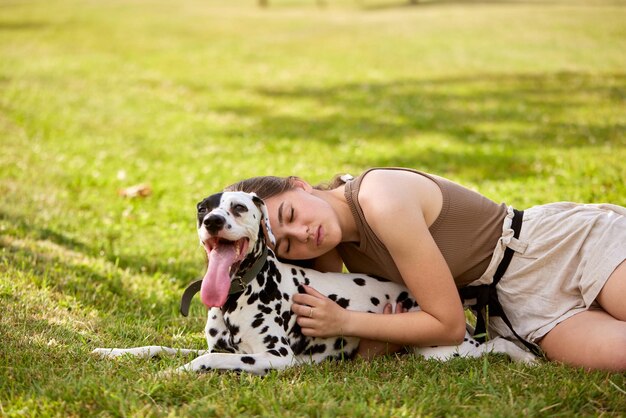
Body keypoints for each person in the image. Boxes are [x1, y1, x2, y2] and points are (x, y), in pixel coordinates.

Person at [225, 168, 626, 371]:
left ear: (299, 184)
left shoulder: (379, 198)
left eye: (291, 213)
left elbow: (447, 325)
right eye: (288, 242)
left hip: (561, 247)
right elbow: (367, 355)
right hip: (519, 307)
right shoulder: (333, 253)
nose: (303, 234)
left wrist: (348, 320)